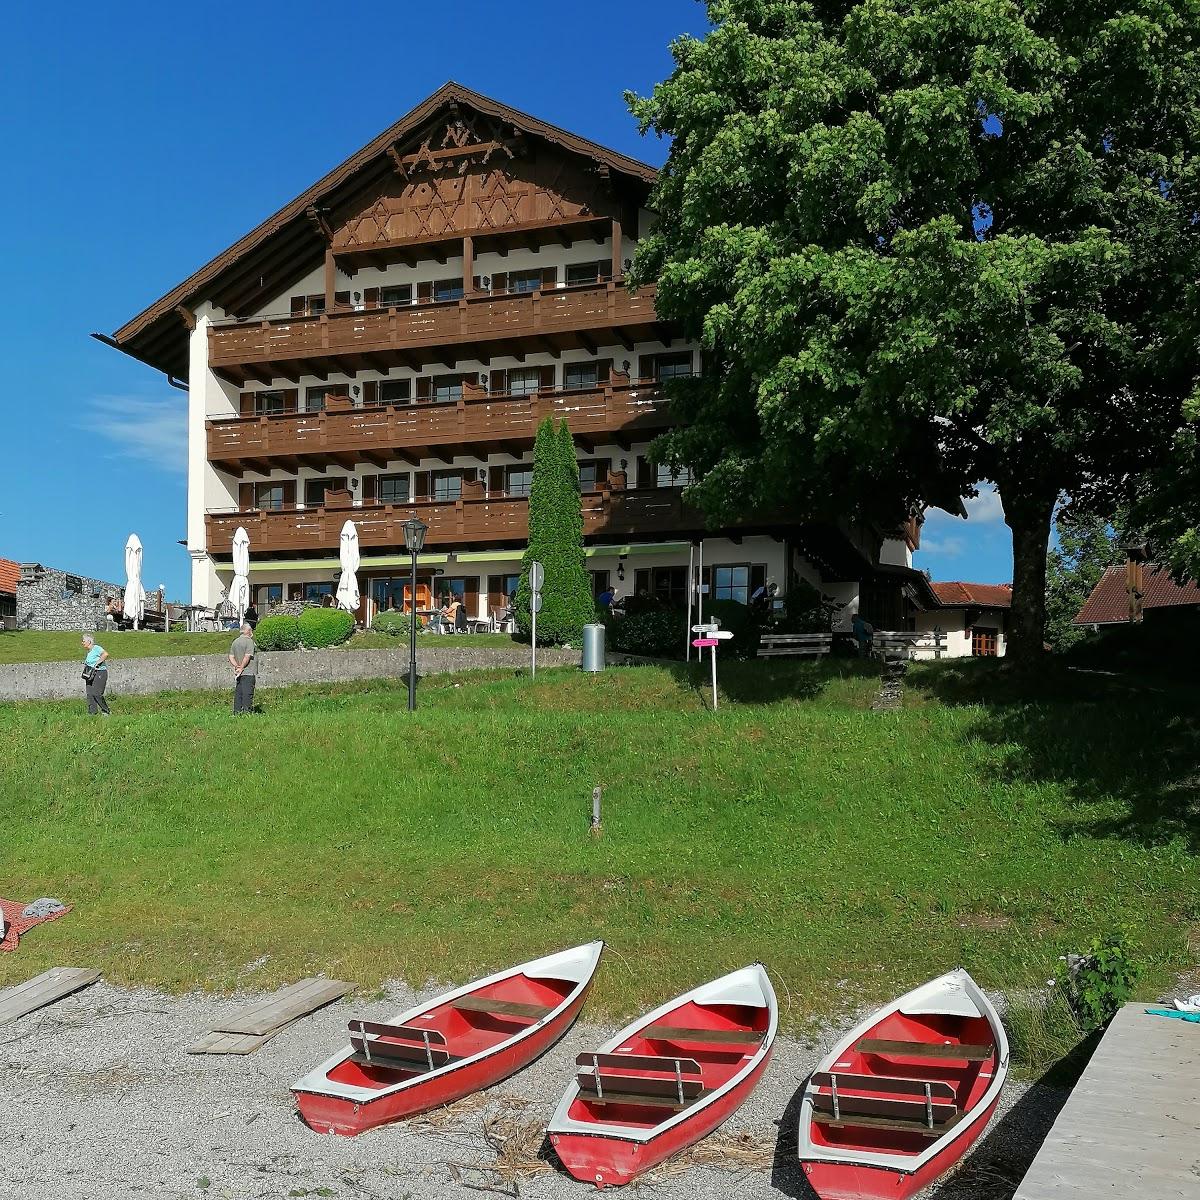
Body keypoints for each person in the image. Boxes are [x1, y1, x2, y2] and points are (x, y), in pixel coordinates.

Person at [228, 622, 258, 714]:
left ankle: (237, 711)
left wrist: (236, 666)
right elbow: (247, 656)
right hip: (248, 671)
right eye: (251, 630)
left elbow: (231, 656)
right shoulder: (249, 641)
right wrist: (241, 667)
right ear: (248, 631)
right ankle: (247, 712)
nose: (252, 632)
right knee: (247, 693)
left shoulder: (235, 641)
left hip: (239, 672)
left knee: (239, 693)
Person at [81, 635, 110, 716]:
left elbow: (105, 654)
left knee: (97, 693)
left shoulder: (96, 648)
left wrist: (97, 664)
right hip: (90, 674)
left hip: (99, 672)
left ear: (89, 642)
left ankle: (106, 711)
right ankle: (92, 712)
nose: (82, 643)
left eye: (83, 641)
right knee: (90, 693)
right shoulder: (89, 651)